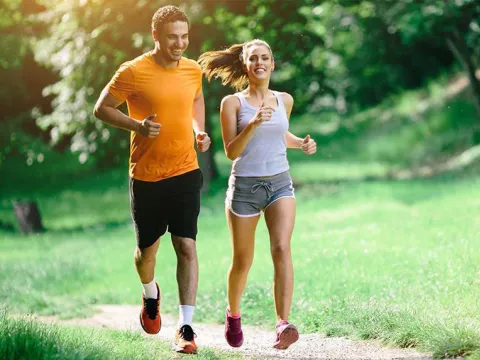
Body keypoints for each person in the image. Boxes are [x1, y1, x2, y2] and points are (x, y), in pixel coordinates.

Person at [93, 5, 211, 355]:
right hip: (146, 176)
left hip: (186, 170)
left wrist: (199, 130)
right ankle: (150, 294)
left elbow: (197, 99)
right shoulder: (132, 71)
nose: (179, 44)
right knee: (147, 252)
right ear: (156, 35)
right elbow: (101, 108)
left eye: (185, 37)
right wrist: (138, 126)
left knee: (186, 246)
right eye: (172, 37)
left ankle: (186, 327)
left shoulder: (192, 69)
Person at [198, 39, 317, 350]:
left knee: (281, 248)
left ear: (272, 64)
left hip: (279, 182)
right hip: (245, 188)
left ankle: (282, 324)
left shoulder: (284, 99)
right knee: (243, 260)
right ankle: (233, 315)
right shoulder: (232, 104)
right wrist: (251, 123)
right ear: (245, 65)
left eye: (265, 57)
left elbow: (280, 135)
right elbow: (230, 151)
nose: (260, 62)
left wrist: (300, 143)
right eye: (253, 59)